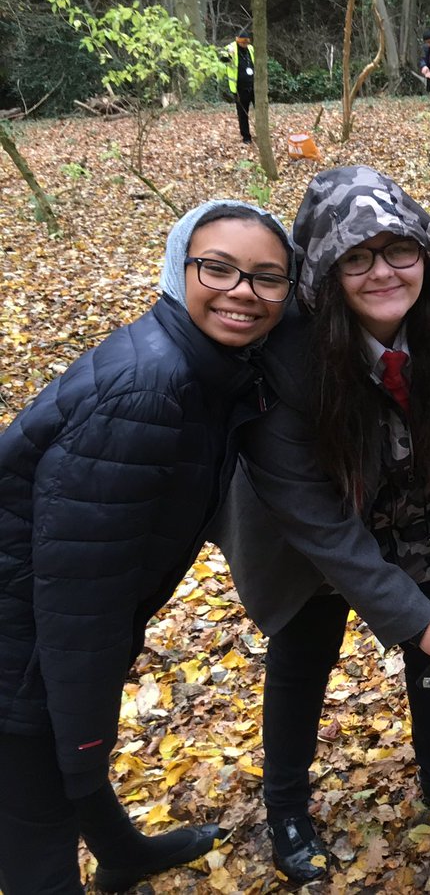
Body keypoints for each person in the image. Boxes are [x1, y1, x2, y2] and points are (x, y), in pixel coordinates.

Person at [213, 165, 430, 884]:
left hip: (418, 500)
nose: (382, 272)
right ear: (324, 268)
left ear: (426, 253)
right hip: (306, 530)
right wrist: (414, 617)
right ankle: (286, 804)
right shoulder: (283, 355)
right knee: (303, 656)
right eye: (356, 257)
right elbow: (316, 523)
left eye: (398, 250)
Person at [0, 201, 296, 894]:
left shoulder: (205, 370)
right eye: (217, 268)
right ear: (177, 269)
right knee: (37, 813)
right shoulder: (150, 391)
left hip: (45, 619)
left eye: (266, 277)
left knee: (66, 747)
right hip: (18, 636)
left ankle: (121, 853)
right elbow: (78, 599)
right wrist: (82, 733)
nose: (242, 292)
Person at [221, 30, 255, 144]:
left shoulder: (250, 49)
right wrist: (228, 55)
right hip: (239, 88)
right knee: (243, 114)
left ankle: (261, 133)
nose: (245, 45)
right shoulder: (230, 48)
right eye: (242, 43)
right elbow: (223, 60)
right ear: (238, 41)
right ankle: (246, 137)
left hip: (253, 85)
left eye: (246, 42)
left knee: (259, 110)